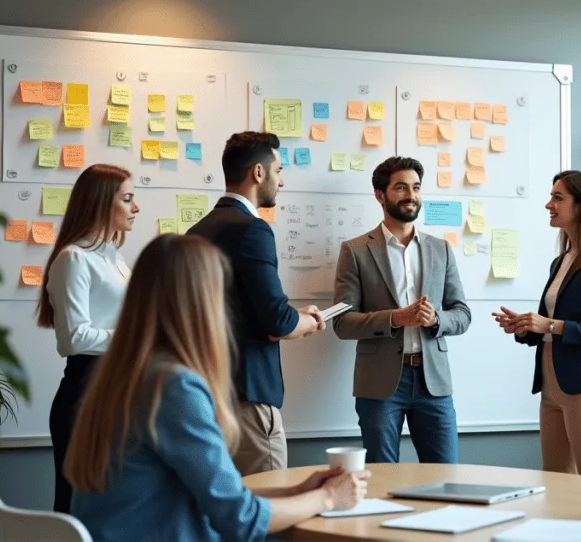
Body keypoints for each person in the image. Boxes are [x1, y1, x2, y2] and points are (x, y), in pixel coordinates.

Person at [65, 234, 369, 542]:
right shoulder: (173, 387)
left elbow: (216, 498)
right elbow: (241, 519)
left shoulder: (120, 375)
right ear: (201, 303)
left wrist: (299, 491)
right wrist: (328, 498)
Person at [187, 131, 324, 476]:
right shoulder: (253, 229)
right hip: (249, 397)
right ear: (258, 173)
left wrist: (290, 316)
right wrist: (306, 322)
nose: (282, 181)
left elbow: (236, 309)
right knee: (268, 497)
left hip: (207, 391)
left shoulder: (198, 230)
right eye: (278, 171)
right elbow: (276, 320)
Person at [332, 156, 471, 464]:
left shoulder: (440, 249)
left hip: (433, 382)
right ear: (380, 195)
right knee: (382, 475)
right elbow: (342, 323)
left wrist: (436, 319)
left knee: (445, 473)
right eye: (401, 187)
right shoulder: (355, 251)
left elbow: (462, 314)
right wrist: (396, 318)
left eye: (416, 187)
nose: (411, 195)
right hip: (379, 385)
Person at [492, 170, 581, 478]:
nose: (548, 204)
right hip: (551, 387)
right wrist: (525, 326)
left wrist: (551, 325)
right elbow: (549, 326)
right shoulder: (562, 260)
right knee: (556, 482)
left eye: (557, 197)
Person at [35, 163, 139, 513]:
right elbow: (75, 339)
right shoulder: (74, 258)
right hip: (84, 395)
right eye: (127, 199)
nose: (136, 208)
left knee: (110, 508)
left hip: (115, 392)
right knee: (77, 508)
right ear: (100, 203)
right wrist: (135, 338)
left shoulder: (115, 259)